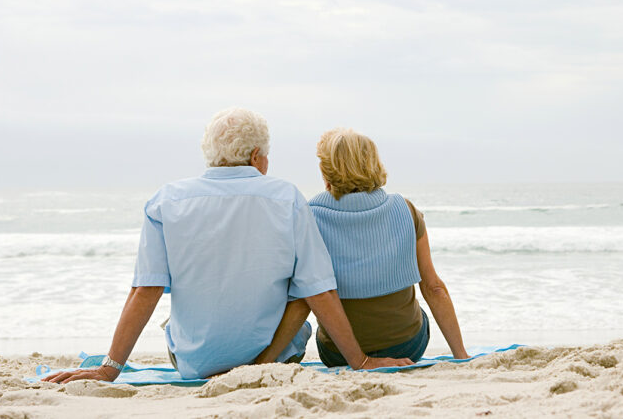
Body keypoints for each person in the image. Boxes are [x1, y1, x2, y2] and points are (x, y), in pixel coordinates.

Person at [43, 109, 411, 384]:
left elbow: (146, 289)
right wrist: (360, 362)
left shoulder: (166, 201)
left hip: (193, 363)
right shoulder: (287, 198)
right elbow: (319, 290)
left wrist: (110, 368)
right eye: (266, 155)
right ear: (255, 156)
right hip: (277, 359)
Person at [308, 128, 469, 366]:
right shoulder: (405, 209)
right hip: (407, 347)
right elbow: (433, 287)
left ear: (327, 171)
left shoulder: (310, 216)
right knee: (417, 314)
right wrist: (461, 357)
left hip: (338, 354)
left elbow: (308, 293)